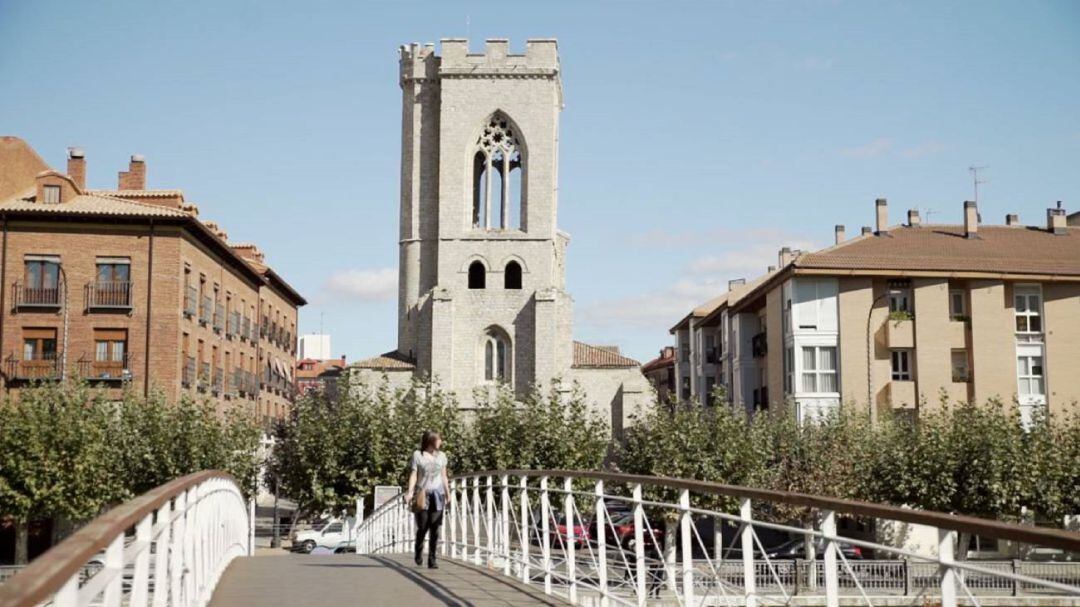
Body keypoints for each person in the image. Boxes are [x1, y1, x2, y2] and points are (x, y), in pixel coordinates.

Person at [404, 430, 450, 568]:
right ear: (431, 441)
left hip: (438, 494)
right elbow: (414, 474)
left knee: (435, 528)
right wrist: (410, 492)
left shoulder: (442, 456)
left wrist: (448, 492)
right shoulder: (418, 455)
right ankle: (418, 552)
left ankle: (432, 559)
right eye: (438, 439)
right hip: (422, 494)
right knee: (423, 527)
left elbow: (443, 476)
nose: (441, 442)